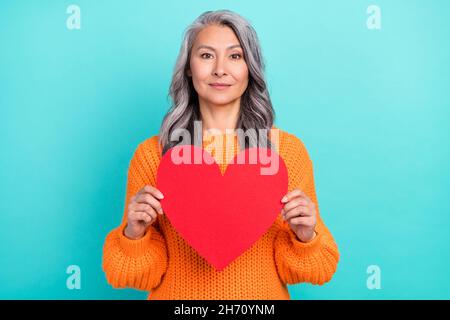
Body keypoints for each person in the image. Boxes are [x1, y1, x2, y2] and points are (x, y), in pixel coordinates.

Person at [102, 9, 339, 300]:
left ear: (250, 67)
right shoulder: (154, 154)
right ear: (188, 67)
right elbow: (127, 275)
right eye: (206, 55)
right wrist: (133, 234)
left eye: (235, 56)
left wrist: (306, 237)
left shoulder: (286, 153)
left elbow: (316, 270)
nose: (220, 69)